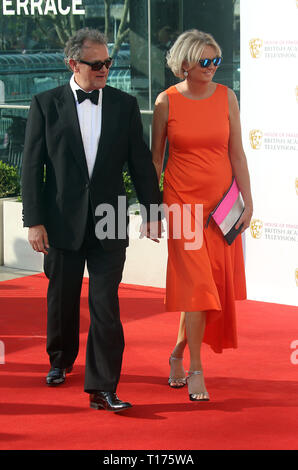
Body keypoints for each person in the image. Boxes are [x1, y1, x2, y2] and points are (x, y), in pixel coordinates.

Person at [21, 28, 161, 412]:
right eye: (95, 64)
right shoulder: (45, 104)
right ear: (72, 64)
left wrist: (152, 212)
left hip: (111, 218)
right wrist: (34, 220)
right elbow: (32, 168)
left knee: (106, 304)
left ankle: (102, 387)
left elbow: (141, 165)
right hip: (61, 219)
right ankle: (60, 358)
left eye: (108, 63)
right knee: (62, 296)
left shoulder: (124, 105)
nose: (104, 69)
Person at [152, 29, 253, 401]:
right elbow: (155, 158)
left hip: (221, 208)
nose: (212, 67)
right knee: (197, 288)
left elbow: (237, 153)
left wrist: (248, 200)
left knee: (206, 290)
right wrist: (152, 207)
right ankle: (196, 368)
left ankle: (176, 353)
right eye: (204, 61)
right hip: (181, 205)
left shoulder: (228, 97)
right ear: (184, 65)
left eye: (216, 61)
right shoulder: (166, 102)